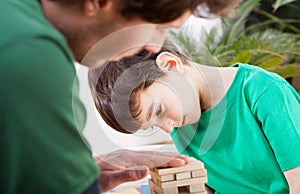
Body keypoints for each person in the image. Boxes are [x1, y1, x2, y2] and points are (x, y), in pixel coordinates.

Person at [0, 0, 243, 193]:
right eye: (159, 28)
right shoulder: (32, 58)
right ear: (101, 2)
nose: (156, 46)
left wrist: (70, 174)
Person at [90, 41, 300, 193]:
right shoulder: (181, 126)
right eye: (153, 125)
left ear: (170, 65)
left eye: (158, 111)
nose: (167, 127)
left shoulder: (263, 92)